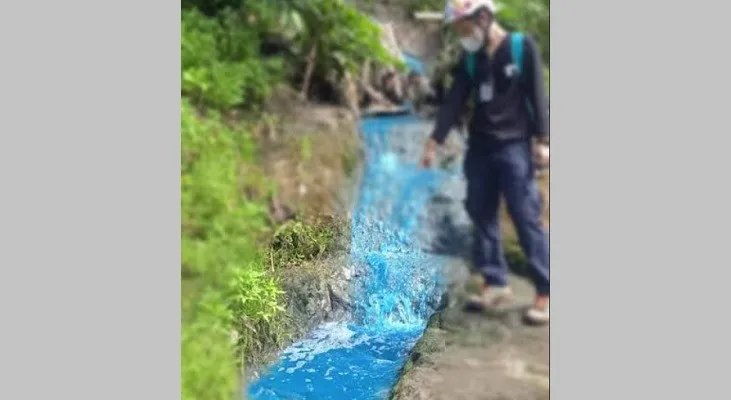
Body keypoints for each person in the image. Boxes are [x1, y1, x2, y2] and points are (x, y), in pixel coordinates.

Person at [420, 0, 551, 325]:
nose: (462, 35)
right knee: (481, 211)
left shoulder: (521, 48)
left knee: (525, 216)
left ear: (483, 17)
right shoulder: (471, 59)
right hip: (480, 148)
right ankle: (496, 282)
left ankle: (546, 290)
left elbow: (537, 93)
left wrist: (544, 141)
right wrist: (434, 140)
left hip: (514, 147)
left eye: (463, 28)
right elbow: (455, 100)